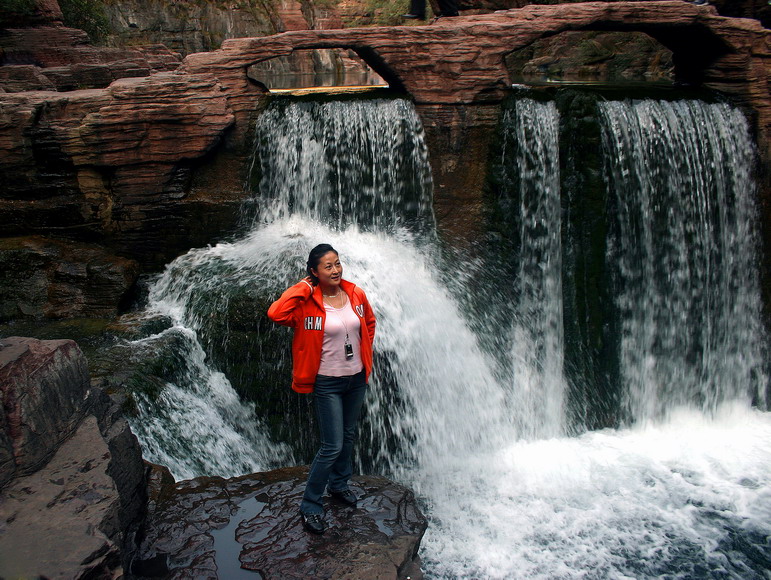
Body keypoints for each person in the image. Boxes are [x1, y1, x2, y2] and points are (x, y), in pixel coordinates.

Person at [267, 244, 376, 535]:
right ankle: (310, 504)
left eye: (338, 263)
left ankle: (339, 485)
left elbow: (369, 324)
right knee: (332, 445)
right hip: (327, 382)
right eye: (328, 266)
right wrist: (304, 286)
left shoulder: (355, 294)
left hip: (356, 378)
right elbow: (276, 313)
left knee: (349, 436)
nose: (336, 270)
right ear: (315, 272)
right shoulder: (305, 304)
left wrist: (366, 356)